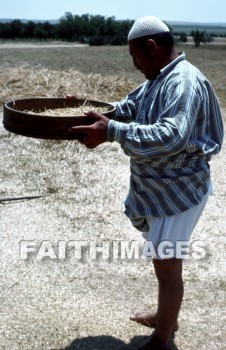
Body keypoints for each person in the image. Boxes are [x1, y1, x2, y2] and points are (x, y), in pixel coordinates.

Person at [68, 16, 224, 350]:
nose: (135, 64)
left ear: (151, 47)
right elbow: (130, 107)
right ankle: (168, 315)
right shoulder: (160, 77)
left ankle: (163, 338)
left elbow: (172, 135)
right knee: (162, 260)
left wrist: (111, 131)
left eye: (135, 56)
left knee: (168, 267)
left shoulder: (182, 82)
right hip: (161, 187)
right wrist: (88, 110)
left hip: (178, 189)